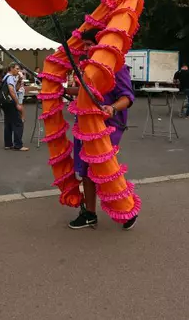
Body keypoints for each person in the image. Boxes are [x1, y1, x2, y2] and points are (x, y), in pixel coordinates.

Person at [67, 29, 137, 231]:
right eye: (85, 45)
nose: (87, 48)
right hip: (84, 127)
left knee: (106, 170)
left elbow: (127, 97)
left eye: (90, 44)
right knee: (86, 171)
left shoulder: (117, 66)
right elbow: (83, 93)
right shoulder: (87, 69)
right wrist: (59, 89)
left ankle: (127, 210)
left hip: (108, 127)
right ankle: (90, 213)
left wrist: (112, 108)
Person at [0, 63, 28, 151]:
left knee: (8, 123)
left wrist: (19, 80)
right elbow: (12, 91)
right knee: (18, 123)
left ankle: (8, 144)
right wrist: (17, 103)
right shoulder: (10, 78)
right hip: (11, 102)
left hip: (5, 103)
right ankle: (18, 145)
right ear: (11, 68)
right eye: (16, 68)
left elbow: (15, 89)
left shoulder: (6, 77)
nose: (18, 70)